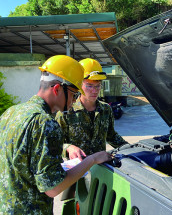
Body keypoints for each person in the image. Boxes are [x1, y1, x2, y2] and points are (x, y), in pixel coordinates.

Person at [0, 55, 112, 214]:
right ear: (57, 88)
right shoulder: (45, 123)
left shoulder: (11, 113)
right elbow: (52, 188)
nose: (74, 100)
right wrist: (92, 159)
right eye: (74, 94)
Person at [56, 58, 129, 160]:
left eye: (98, 86)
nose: (95, 91)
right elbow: (55, 143)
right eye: (89, 86)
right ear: (79, 85)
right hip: (78, 171)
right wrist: (69, 147)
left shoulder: (106, 109)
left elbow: (111, 136)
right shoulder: (66, 112)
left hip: (101, 168)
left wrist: (130, 149)